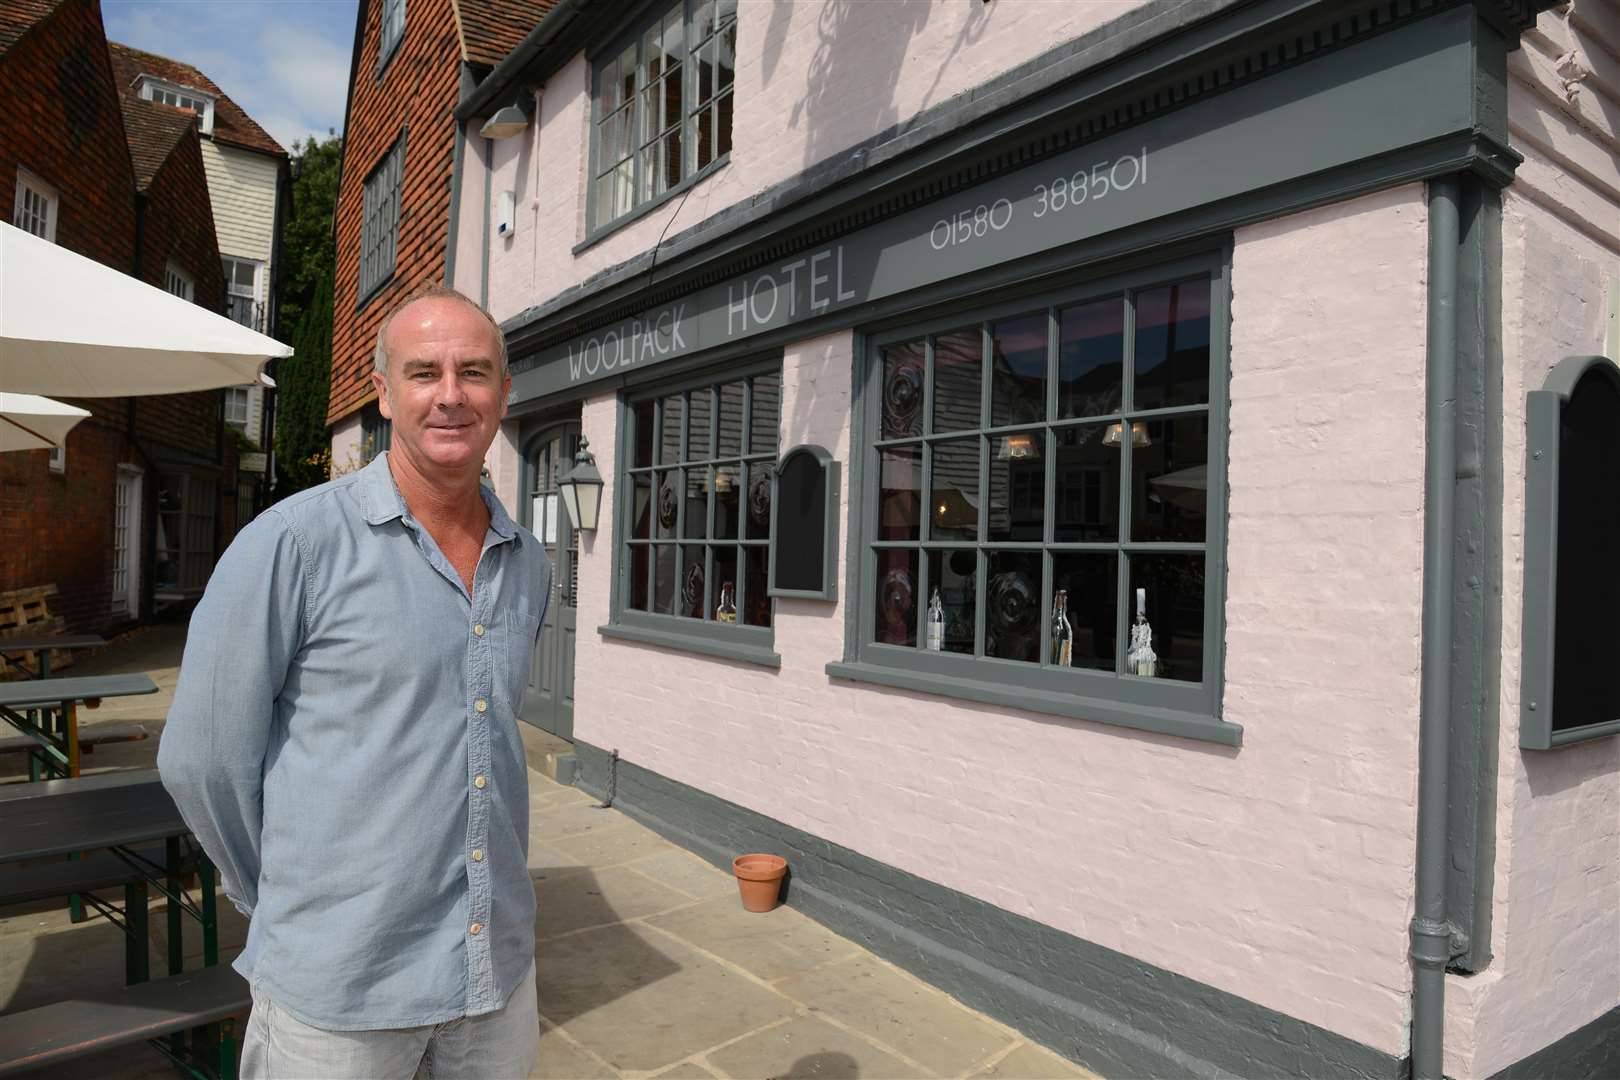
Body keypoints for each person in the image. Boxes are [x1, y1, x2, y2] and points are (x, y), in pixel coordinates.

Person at [158, 285, 550, 1078]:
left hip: (495, 980)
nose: (450, 395)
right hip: (339, 996)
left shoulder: (528, 560)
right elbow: (202, 760)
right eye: (423, 372)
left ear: (504, 393)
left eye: (474, 373)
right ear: (383, 392)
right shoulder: (292, 545)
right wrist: (288, 901)